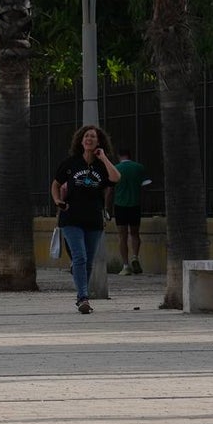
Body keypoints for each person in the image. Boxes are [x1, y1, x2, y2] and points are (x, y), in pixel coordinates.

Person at [51, 124, 120, 315]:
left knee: (87, 261)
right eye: (86, 136)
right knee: (80, 257)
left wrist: (103, 157)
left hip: (94, 220)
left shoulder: (101, 166)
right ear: (81, 141)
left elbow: (116, 178)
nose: (89, 139)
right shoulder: (70, 163)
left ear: (99, 142)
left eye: (93, 137)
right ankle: (83, 297)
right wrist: (57, 200)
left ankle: (81, 291)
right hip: (71, 217)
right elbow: (55, 184)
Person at [109, 146, 150, 275]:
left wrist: (106, 206)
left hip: (120, 205)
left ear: (118, 156)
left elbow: (110, 190)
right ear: (129, 155)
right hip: (135, 205)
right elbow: (145, 187)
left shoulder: (115, 169)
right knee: (135, 234)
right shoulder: (139, 168)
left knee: (122, 236)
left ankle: (125, 266)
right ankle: (135, 257)